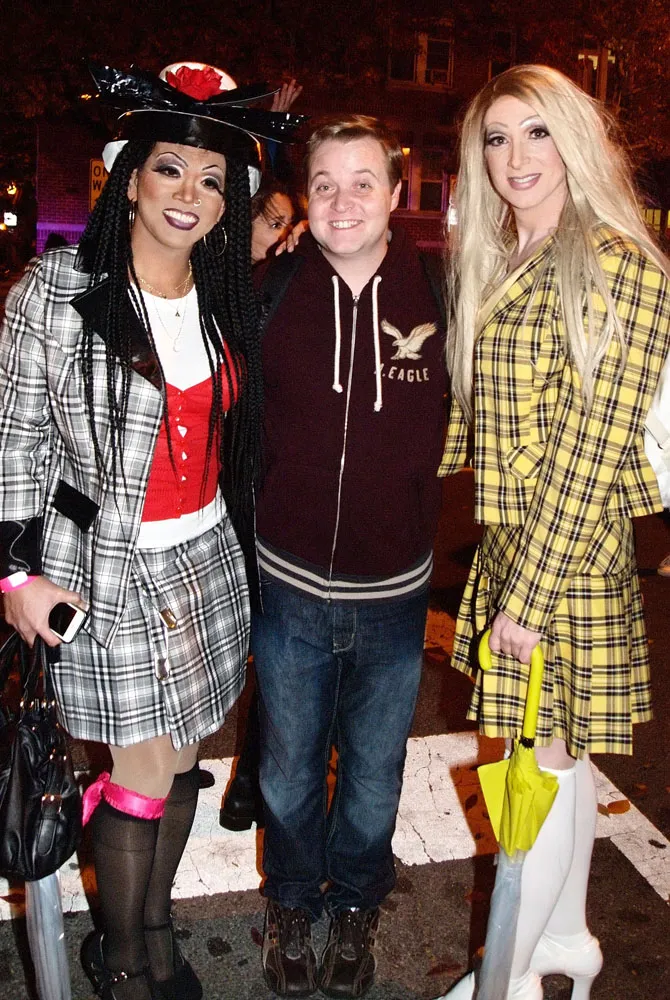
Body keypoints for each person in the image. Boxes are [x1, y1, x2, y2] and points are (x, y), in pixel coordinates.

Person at [0, 60, 303, 1000]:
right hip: (105, 571)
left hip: (204, 560)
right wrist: (16, 578)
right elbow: (13, 440)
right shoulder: (58, 290)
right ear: (127, 178)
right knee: (139, 770)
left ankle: (157, 925)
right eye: (168, 168)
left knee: (178, 765)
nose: (188, 194)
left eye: (211, 179)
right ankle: (126, 959)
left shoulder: (224, 297)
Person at [438, 65, 670, 1000]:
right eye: (497, 137)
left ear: (575, 140)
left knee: (533, 770)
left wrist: (527, 599)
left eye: (537, 131)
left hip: (565, 558)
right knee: (558, 763)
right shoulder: (508, 253)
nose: (515, 155)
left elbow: (591, 446)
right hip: (521, 546)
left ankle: (500, 982)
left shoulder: (614, 261)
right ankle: (568, 939)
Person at [252, 114, 448, 998]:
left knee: (373, 774)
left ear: (397, 194)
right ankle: (293, 903)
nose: (341, 201)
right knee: (288, 768)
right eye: (324, 183)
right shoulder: (269, 290)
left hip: (396, 594)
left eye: (362, 182)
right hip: (288, 586)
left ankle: (358, 902)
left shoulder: (443, 292)